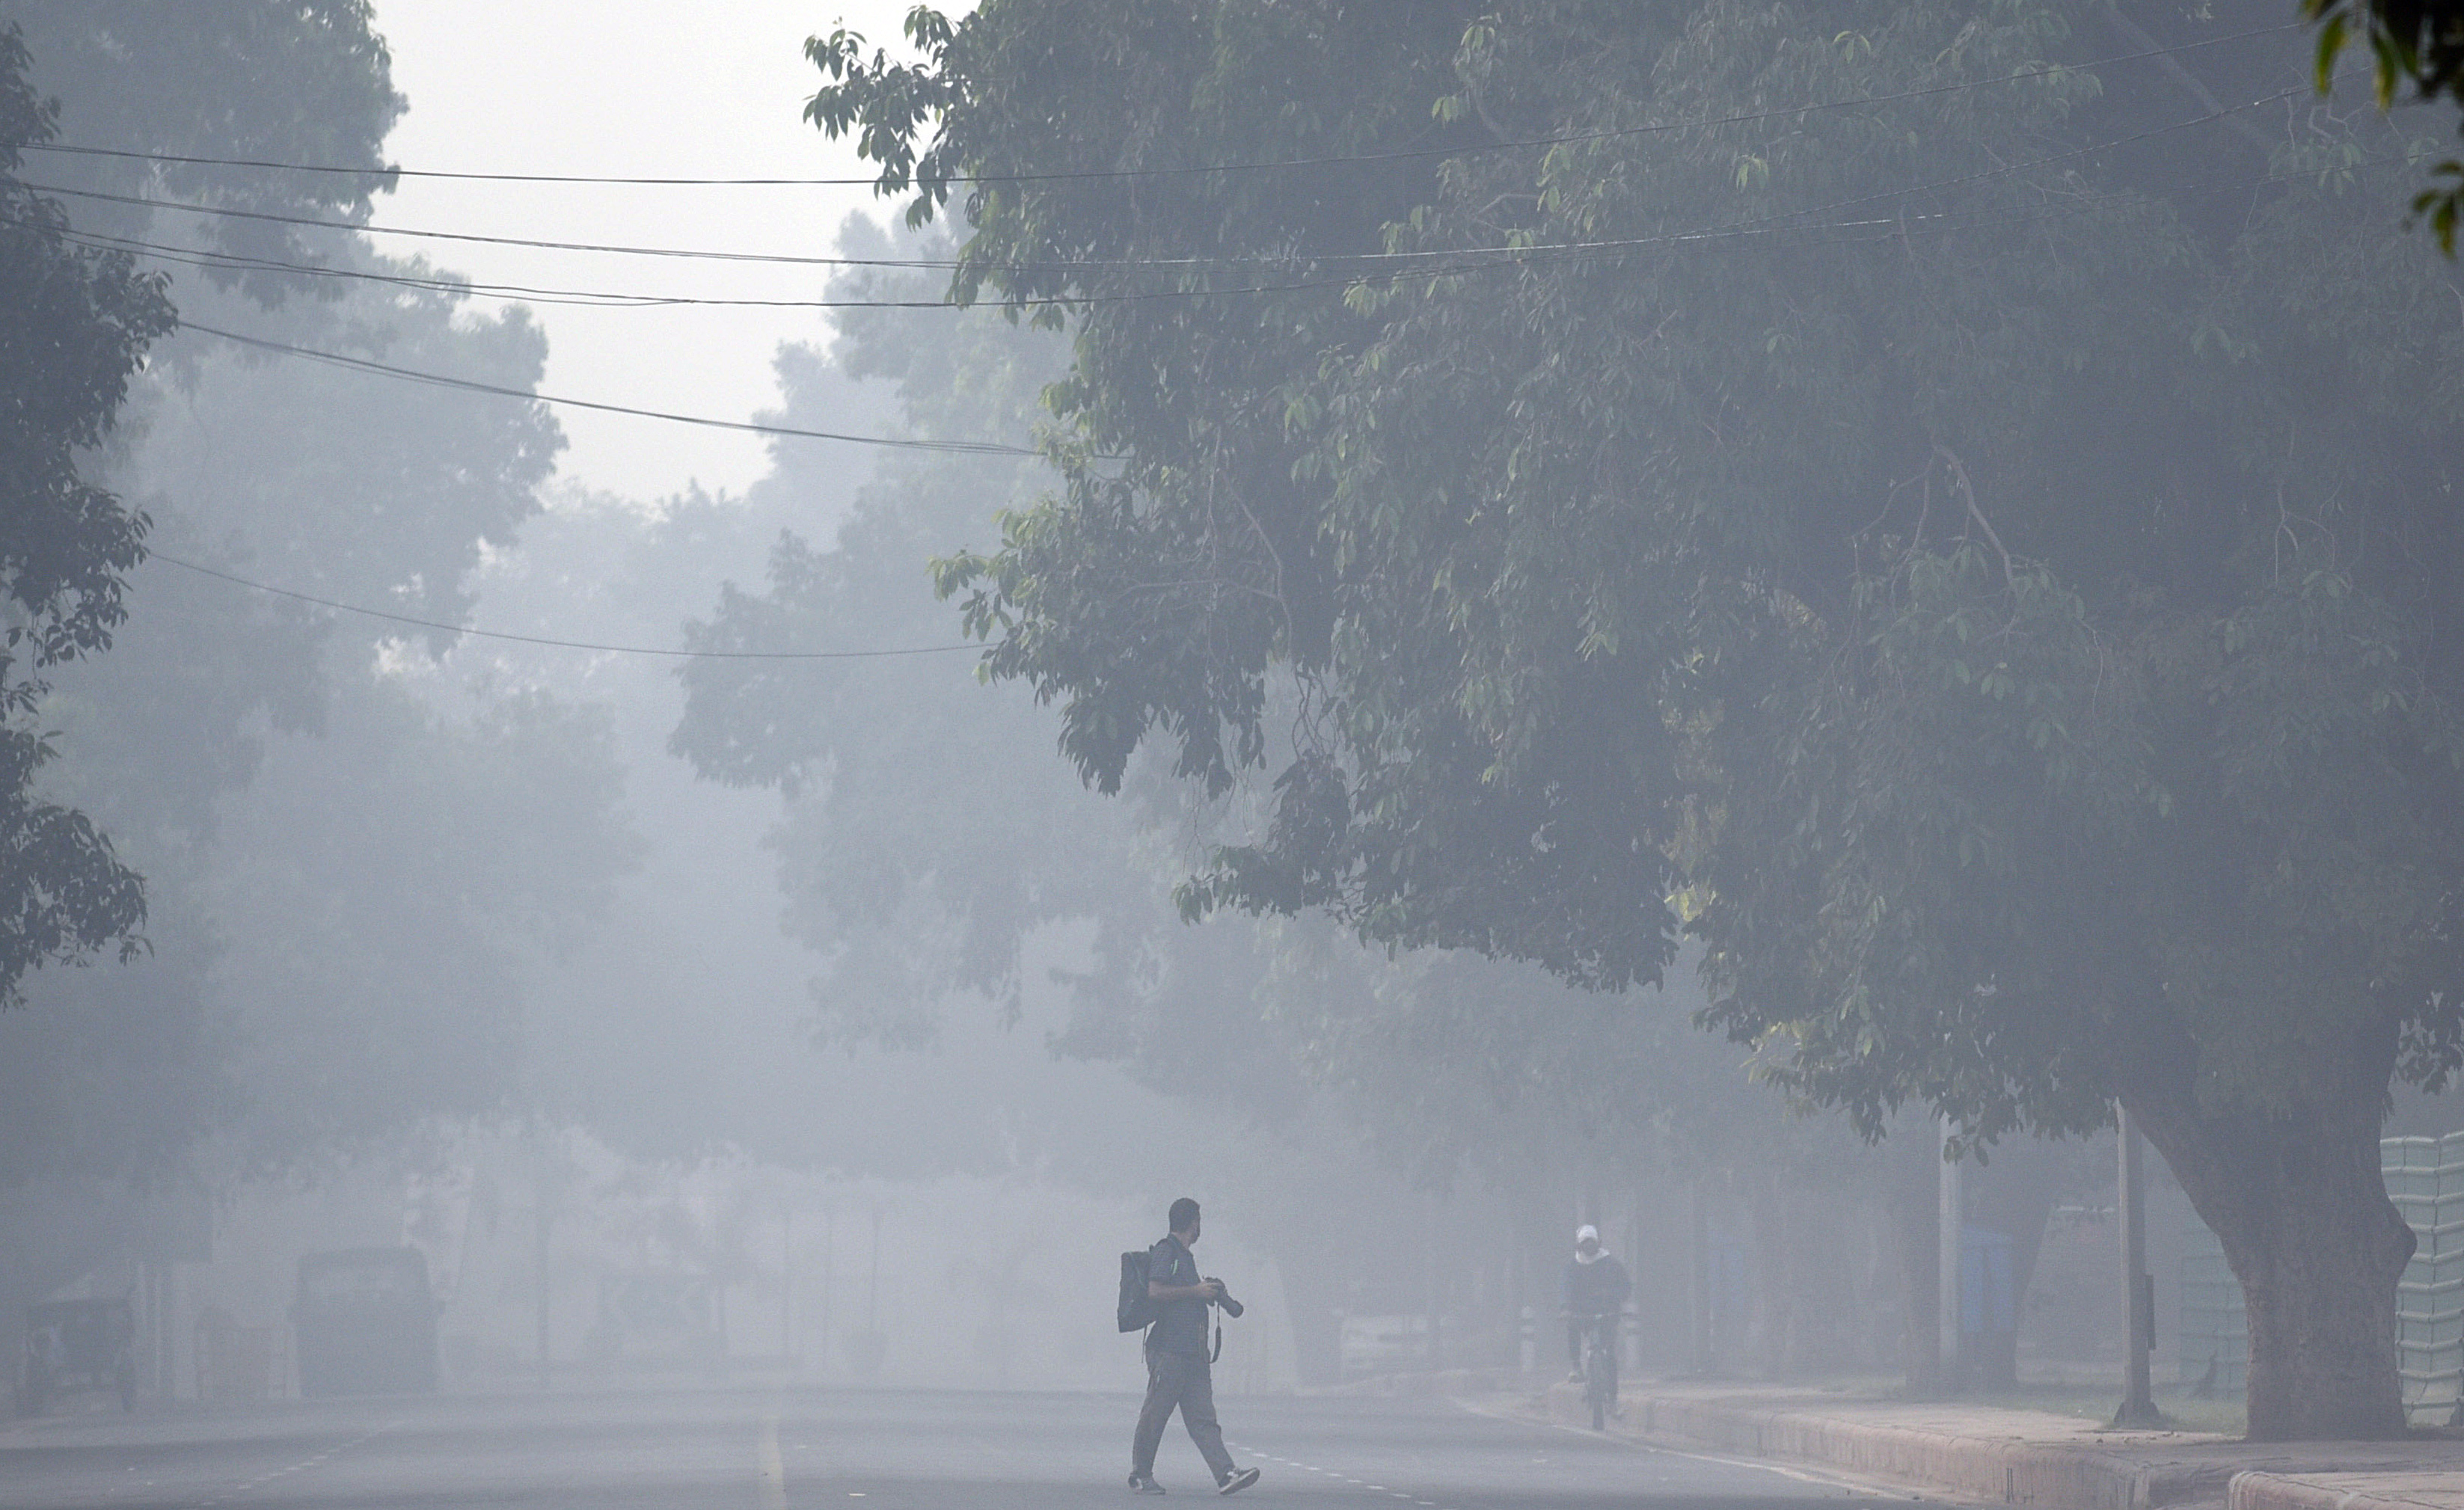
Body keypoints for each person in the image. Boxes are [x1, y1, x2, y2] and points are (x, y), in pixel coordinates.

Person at [1129, 1197, 1261, 1496]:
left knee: (1204, 1419)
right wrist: (1196, 1290)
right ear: (1193, 1223)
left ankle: (1226, 1473)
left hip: (1194, 1354)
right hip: (1170, 1351)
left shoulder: (1186, 1258)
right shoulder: (1167, 1251)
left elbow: (1182, 1294)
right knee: (1156, 1414)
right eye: (1199, 1222)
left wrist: (1205, 1293)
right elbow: (1155, 1290)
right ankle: (1141, 1475)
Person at [1562, 1224, 1631, 1390]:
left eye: (1592, 1242)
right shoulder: (1573, 1266)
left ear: (1598, 1243)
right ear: (1580, 1245)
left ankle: (1613, 1401)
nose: (1589, 1246)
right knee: (1571, 1325)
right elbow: (1566, 1289)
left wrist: (1614, 1296)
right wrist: (1565, 1308)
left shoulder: (1611, 1264)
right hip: (1582, 1314)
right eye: (1586, 1243)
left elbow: (1625, 1286)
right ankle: (1576, 1366)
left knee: (1610, 1356)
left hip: (1607, 1313)